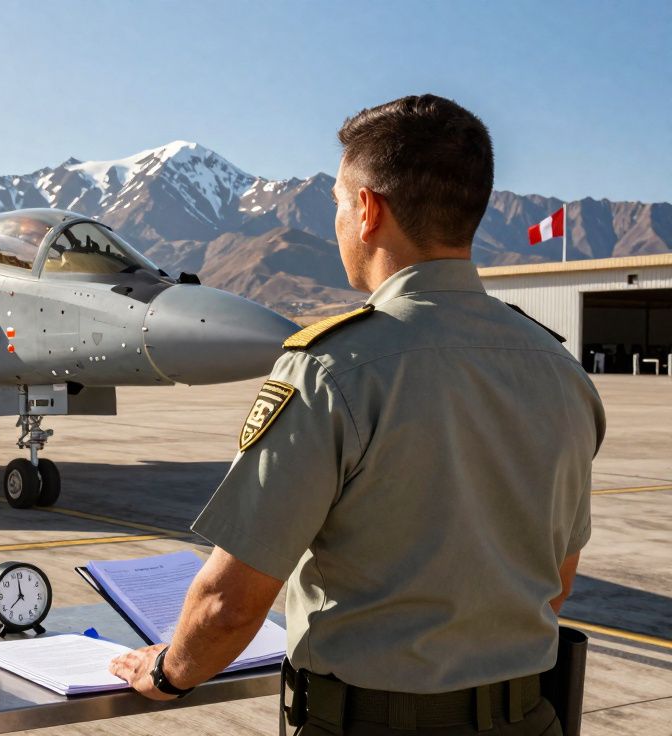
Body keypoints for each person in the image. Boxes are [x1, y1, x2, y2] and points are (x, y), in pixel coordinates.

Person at [108, 95, 605, 735]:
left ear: (368, 210)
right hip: (529, 720)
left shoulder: (329, 369)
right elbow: (555, 583)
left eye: (338, 203)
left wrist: (168, 671)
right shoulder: (560, 371)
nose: (337, 219)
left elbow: (231, 606)